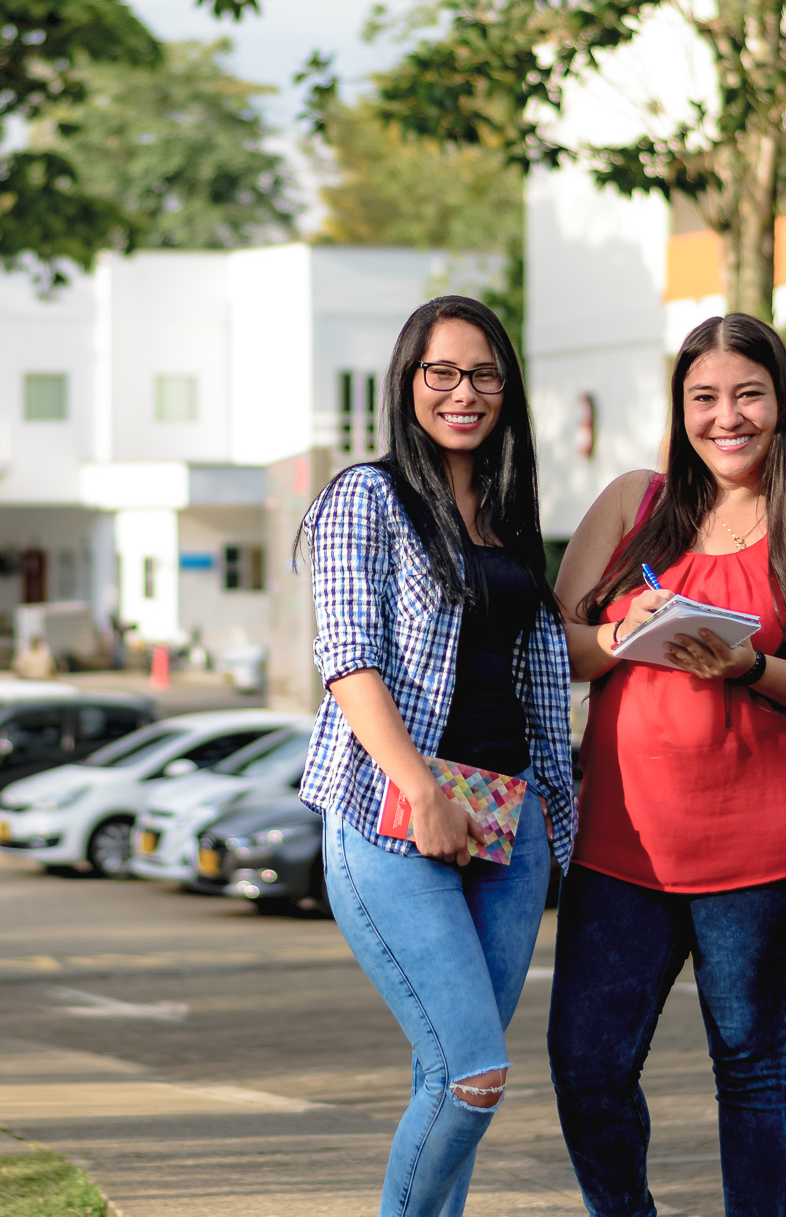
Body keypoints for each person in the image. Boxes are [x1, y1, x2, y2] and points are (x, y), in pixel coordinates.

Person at [549, 313, 786, 1217]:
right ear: (680, 407)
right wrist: (622, 633)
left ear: (781, 404)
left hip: (774, 851)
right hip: (624, 851)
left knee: (749, 1066)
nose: (725, 416)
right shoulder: (631, 504)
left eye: (747, 394)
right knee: (587, 1066)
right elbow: (556, 645)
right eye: (704, 397)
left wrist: (754, 667)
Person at [298, 295, 575, 1217]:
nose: (465, 392)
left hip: (508, 817)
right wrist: (419, 789)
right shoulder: (365, 498)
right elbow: (349, 656)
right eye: (442, 372)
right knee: (472, 1074)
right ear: (408, 382)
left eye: (485, 373)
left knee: (446, 1075)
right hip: (394, 815)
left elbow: (535, 656)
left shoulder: (508, 514)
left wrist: (635, 632)